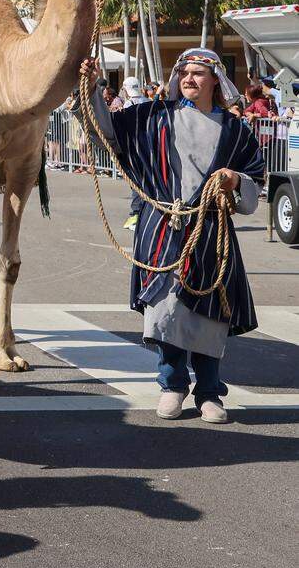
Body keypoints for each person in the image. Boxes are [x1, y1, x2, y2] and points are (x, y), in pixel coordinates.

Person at [83, 47, 263, 425]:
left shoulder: (236, 131)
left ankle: (210, 392)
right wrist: (91, 85)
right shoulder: (152, 116)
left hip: (211, 232)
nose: (189, 79)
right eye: (183, 72)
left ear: (216, 79)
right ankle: (172, 385)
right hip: (162, 227)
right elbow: (107, 132)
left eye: (198, 73)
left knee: (211, 314)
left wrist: (235, 180)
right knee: (165, 309)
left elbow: (255, 182)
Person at [121, 77, 148, 231]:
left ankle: (135, 214)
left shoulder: (128, 104)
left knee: (136, 183)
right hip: (148, 146)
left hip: (135, 147)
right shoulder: (146, 101)